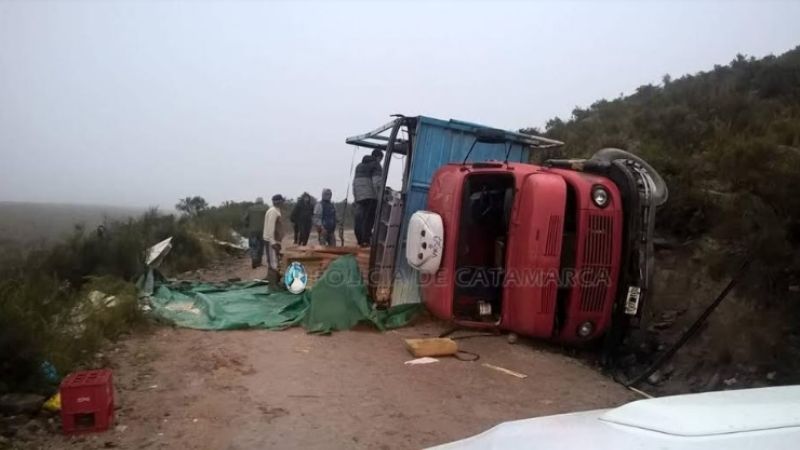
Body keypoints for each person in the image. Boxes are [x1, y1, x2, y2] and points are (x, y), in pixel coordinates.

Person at [352, 149, 383, 247]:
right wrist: (380, 197)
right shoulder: (376, 165)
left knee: (360, 219)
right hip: (371, 196)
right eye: (381, 159)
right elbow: (377, 182)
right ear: (378, 157)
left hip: (359, 197)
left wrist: (356, 197)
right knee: (369, 219)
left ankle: (360, 240)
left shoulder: (359, 166)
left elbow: (354, 183)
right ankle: (366, 240)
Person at [263, 194, 286, 285]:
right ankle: (273, 283)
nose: (283, 203)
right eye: (282, 201)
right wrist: (273, 242)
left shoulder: (276, 210)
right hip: (272, 241)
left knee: (275, 260)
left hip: (275, 240)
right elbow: (270, 228)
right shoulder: (273, 212)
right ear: (278, 202)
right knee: (273, 262)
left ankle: (274, 280)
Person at [242, 197, 268, 268]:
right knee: (261, 246)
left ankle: (254, 258)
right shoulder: (266, 208)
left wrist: (247, 225)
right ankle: (259, 261)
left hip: (252, 231)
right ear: (262, 202)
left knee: (253, 246)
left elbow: (245, 219)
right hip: (263, 231)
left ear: (256, 202)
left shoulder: (250, 209)